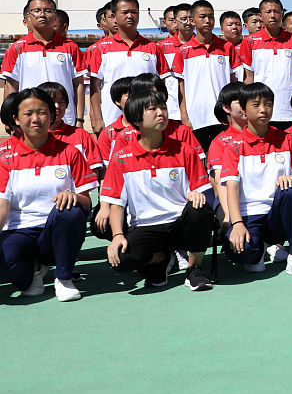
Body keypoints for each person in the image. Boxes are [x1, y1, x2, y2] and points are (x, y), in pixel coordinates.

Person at [101, 89, 216, 291]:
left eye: (163, 107)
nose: (161, 113)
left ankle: (194, 269)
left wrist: (196, 194)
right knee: (120, 259)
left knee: (200, 211)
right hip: (146, 226)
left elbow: (202, 189)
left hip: (180, 222)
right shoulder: (121, 158)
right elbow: (116, 203)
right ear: (136, 118)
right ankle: (160, 258)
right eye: (152, 109)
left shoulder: (184, 149)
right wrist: (118, 235)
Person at [0, 88, 97, 301]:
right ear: (16, 118)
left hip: (54, 230)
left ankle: (63, 278)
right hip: (19, 230)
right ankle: (34, 269)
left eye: (42, 112)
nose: (36, 119)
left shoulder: (69, 152)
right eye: (28, 113)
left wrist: (73, 196)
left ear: (52, 116)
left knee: (71, 210)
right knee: (10, 264)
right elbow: (2, 205)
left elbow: (87, 202)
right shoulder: (5, 156)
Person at [220, 83, 292, 279]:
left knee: (291, 190)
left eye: (268, 104)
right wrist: (236, 223)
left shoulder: (288, 140)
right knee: (245, 254)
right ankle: (258, 250)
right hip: (249, 216)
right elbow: (231, 189)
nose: (264, 109)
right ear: (244, 110)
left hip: (277, 215)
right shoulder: (233, 147)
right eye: (256, 105)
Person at [88, 0, 171, 133]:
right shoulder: (100, 49)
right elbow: (95, 86)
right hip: (112, 119)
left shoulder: (153, 48)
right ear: (113, 16)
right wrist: (97, 118)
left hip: (146, 120)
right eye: (125, 12)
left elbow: (163, 84)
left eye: (134, 12)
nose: (130, 16)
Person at [3, 0, 86, 129]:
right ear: (28, 16)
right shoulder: (16, 48)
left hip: (65, 119)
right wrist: (9, 119)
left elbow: (78, 84)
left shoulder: (70, 47)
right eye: (37, 11)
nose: (42, 14)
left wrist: (79, 119)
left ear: (54, 16)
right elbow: (11, 86)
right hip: (31, 120)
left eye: (48, 11)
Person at [174, 0, 242, 150]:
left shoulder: (227, 47)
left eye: (211, 17)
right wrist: (184, 116)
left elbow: (233, 82)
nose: (208, 21)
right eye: (203, 16)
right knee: (200, 163)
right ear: (192, 20)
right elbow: (181, 86)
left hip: (223, 117)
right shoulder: (183, 51)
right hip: (196, 118)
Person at [238, 0, 292, 130]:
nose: (273, 15)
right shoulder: (250, 41)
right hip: (261, 110)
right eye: (268, 11)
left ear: (282, 14)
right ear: (260, 16)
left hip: (290, 111)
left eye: (276, 12)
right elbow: (249, 78)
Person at [37, 82, 104, 180]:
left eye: (61, 102)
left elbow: (94, 171)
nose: (57, 106)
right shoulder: (30, 138)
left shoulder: (81, 135)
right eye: (52, 101)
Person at [157, 3, 193, 121]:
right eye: (183, 19)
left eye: (190, 19)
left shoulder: (203, 46)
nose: (187, 22)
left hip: (198, 109)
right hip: (172, 111)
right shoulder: (160, 47)